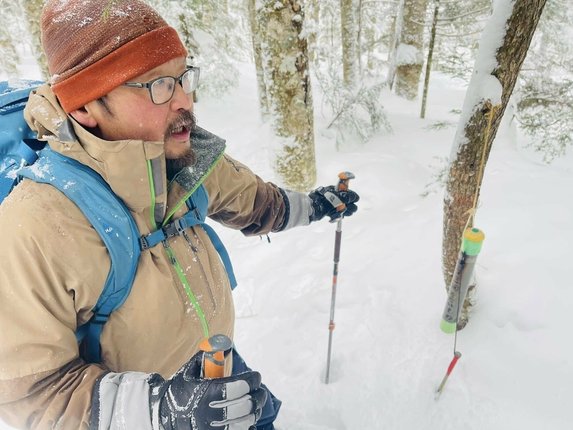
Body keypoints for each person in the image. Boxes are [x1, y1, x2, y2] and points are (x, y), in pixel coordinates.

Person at [0, 1, 359, 429]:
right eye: (158, 86)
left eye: (184, 77)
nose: (185, 101)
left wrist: (316, 206)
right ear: (84, 107)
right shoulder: (36, 225)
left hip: (216, 374)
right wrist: (161, 410)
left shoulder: (184, 161)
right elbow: (32, 392)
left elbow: (258, 203)